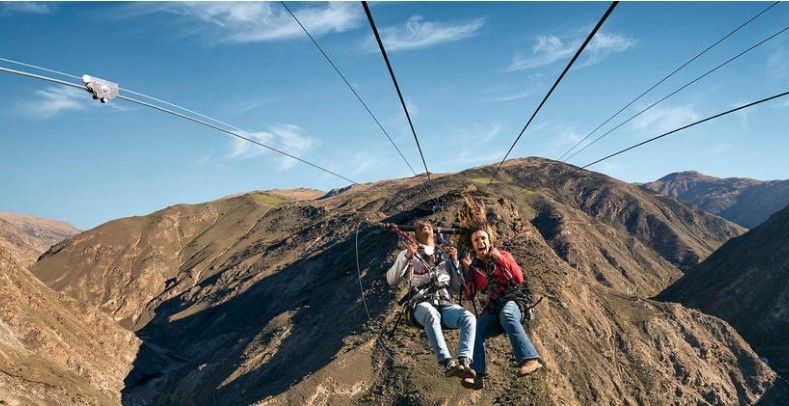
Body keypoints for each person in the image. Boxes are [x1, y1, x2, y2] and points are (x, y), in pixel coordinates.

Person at [386, 221, 476, 379]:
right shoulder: (409, 254)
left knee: (468, 317)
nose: (423, 225)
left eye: (427, 224)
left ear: (434, 233)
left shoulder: (445, 257)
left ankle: (465, 360)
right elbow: (391, 280)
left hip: (445, 304)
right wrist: (407, 256)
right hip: (420, 304)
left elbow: (456, 287)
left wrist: (455, 262)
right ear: (415, 235)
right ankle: (447, 362)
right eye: (419, 226)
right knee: (431, 313)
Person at [459, 227, 541, 390]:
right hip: (492, 310)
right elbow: (469, 295)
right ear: (473, 246)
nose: (481, 242)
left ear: (490, 242)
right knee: (475, 327)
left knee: (507, 313)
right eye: (476, 240)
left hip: (512, 302)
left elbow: (518, 277)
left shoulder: (503, 256)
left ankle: (530, 360)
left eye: (483, 238)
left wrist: (499, 257)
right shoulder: (474, 268)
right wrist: (467, 270)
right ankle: (476, 375)